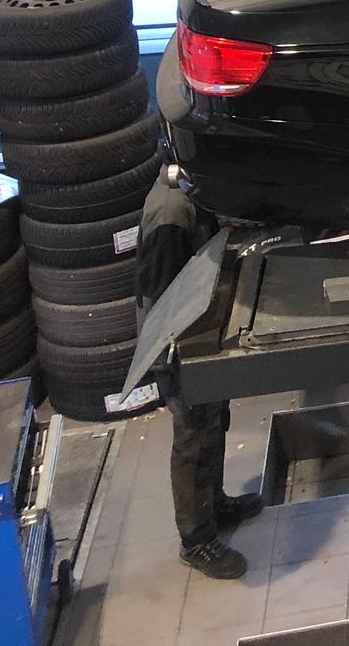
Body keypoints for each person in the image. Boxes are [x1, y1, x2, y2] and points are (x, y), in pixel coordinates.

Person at [136, 164, 263, 580]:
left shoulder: (186, 193)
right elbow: (160, 291)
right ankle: (196, 542)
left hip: (198, 331)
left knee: (213, 422)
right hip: (175, 346)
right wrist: (172, 362)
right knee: (193, 438)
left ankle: (216, 503)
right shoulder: (171, 212)